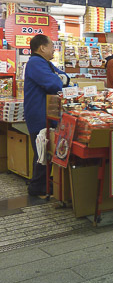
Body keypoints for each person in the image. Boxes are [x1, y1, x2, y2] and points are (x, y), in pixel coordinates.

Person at [24, 35, 70, 196]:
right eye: (51, 46)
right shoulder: (35, 63)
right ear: (42, 48)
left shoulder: (45, 63)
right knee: (41, 150)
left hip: (45, 113)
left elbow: (65, 77)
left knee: (44, 149)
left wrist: (61, 78)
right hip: (38, 113)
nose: (54, 49)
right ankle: (37, 186)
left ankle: (42, 183)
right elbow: (55, 84)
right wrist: (60, 79)